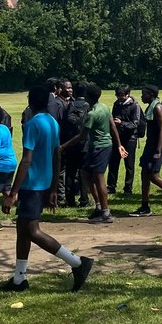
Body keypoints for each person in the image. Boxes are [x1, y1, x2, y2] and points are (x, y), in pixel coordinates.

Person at [2, 84, 94, 292]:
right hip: (44, 183)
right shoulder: (52, 122)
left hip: (31, 184)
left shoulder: (33, 124)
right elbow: (56, 155)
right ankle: (19, 278)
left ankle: (78, 263)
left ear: (30, 102)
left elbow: (26, 160)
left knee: (32, 231)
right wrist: (53, 188)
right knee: (22, 231)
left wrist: (13, 193)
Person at [62, 84, 126, 224]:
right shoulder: (104, 107)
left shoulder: (92, 114)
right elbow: (113, 126)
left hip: (99, 147)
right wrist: (119, 144)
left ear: (87, 97)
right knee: (85, 173)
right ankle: (99, 206)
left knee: (98, 177)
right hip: (100, 146)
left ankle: (105, 212)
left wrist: (62, 146)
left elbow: (81, 136)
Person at [131, 85, 162, 215]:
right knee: (144, 173)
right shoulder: (150, 107)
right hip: (150, 144)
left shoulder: (158, 107)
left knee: (153, 175)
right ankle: (145, 206)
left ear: (150, 94)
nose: (141, 96)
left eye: (143, 94)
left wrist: (158, 150)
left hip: (157, 145)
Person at [108, 84, 142, 197]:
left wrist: (121, 123)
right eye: (117, 95)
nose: (118, 97)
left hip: (130, 139)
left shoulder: (134, 106)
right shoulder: (116, 104)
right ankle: (111, 186)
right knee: (113, 163)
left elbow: (135, 123)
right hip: (117, 137)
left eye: (121, 95)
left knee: (129, 165)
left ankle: (128, 189)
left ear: (128, 94)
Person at [60, 80, 90, 207]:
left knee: (70, 172)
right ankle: (84, 198)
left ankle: (70, 199)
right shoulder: (88, 106)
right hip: (85, 143)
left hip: (71, 143)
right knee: (84, 171)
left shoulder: (69, 106)